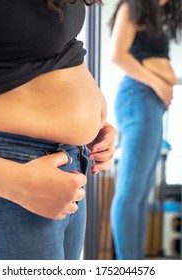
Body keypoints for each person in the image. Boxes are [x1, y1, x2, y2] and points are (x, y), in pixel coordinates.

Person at [0, 0, 116, 260]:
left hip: (66, 164)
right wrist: (16, 183)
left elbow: (50, 53)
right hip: (8, 170)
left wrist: (90, 120)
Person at [109, 0, 182, 259]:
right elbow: (116, 53)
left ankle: (135, 264)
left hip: (150, 101)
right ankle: (130, 268)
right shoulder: (133, 6)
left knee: (140, 194)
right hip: (138, 95)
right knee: (130, 193)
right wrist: (159, 84)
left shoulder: (158, 13)